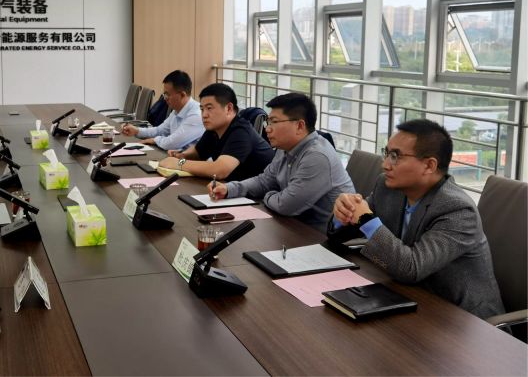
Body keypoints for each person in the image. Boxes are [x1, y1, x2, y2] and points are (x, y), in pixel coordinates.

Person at [328, 119, 504, 320]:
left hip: (464, 320)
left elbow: (410, 268)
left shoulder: (458, 211)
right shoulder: (387, 188)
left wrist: (366, 218)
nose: (385, 164)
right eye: (387, 153)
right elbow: (345, 234)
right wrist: (343, 214)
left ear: (429, 165)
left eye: (396, 156)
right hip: (409, 298)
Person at [209, 93, 355, 228]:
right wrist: (229, 189)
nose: (267, 129)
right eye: (268, 122)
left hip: (322, 236)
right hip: (293, 226)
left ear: (299, 126)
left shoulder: (317, 156)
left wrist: (268, 195)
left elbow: (285, 206)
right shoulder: (285, 147)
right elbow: (265, 181)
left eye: (274, 122)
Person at [158, 83, 274, 181]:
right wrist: (181, 155)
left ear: (228, 108)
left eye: (209, 108)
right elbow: (198, 153)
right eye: (202, 109)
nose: (204, 115)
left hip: (258, 196)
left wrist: (179, 163)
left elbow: (219, 170)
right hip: (231, 188)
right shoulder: (215, 128)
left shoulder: (241, 131)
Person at [120, 70, 204, 151]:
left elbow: (173, 143)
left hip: (190, 160)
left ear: (182, 95)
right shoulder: (176, 110)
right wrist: (137, 131)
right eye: (164, 94)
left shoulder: (197, 115)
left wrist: (155, 140)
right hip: (175, 155)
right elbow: (160, 130)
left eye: (168, 94)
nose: (165, 98)